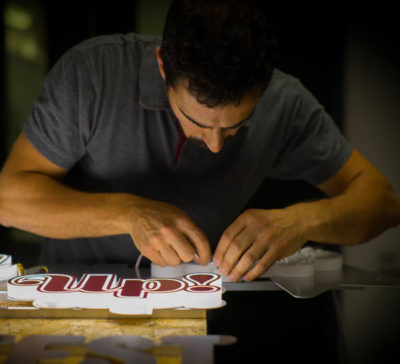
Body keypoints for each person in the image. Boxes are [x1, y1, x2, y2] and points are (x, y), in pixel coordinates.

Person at [0, 0, 399, 282]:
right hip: (74, 292)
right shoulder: (93, 73)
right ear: (161, 65)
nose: (214, 146)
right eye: (195, 119)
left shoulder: (285, 100)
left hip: (206, 301)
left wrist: (300, 221)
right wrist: (129, 214)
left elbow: (382, 203)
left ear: (265, 83)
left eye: (236, 126)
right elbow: (7, 200)